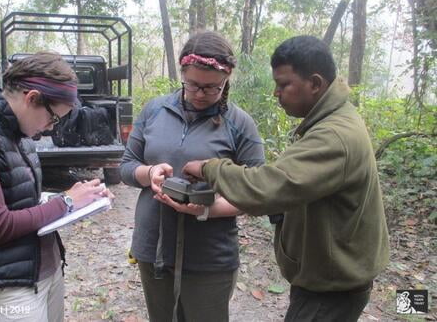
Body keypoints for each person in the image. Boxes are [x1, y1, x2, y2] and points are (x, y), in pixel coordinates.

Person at [182, 35, 390, 322]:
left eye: (284, 85)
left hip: (331, 289)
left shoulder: (334, 135)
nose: (276, 93)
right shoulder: (331, 120)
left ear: (315, 84)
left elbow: (269, 187)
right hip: (328, 277)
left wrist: (210, 168)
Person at [0, 52, 113, 321]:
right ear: (31, 98)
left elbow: (21, 199)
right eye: (53, 118)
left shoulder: (17, 130)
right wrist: (65, 201)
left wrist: (84, 198)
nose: (50, 127)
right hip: (10, 284)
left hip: (44, 268)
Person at [120, 31, 265, 322]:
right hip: (154, 246)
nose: (200, 94)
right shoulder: (154, 110)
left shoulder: (239, 124)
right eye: (193, 84)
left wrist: (206, 209)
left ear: (226, 80)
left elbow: (258, 191)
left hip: (210, 257)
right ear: (182, 73)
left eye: (212, 88)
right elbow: (126, 166)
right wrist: (149, 173)